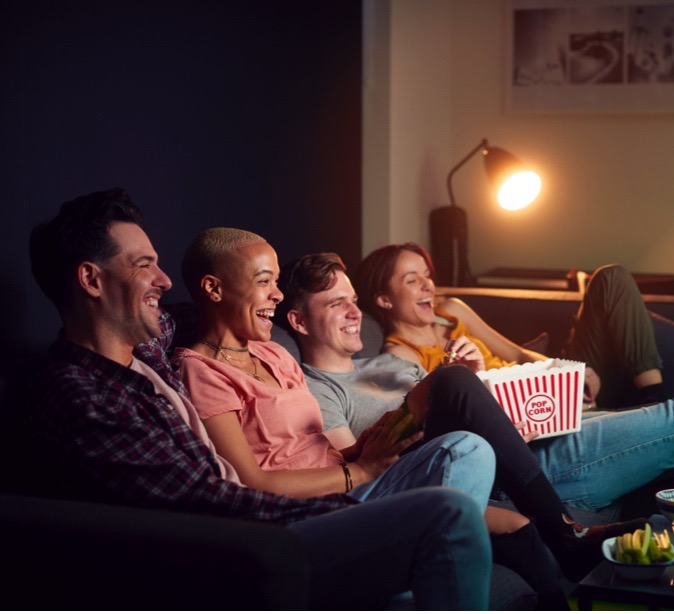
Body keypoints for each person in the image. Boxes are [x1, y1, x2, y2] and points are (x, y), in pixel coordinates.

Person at [26, 188, 493, 610]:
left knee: (464, 455)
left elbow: (204, 312)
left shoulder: (145, 346)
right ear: (91, 280)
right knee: (444, 513)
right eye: (143, 265)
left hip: (283, 515)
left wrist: (250, 304)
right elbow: (210, 502)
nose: (164, 280)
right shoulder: (83, 396)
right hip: (243, 547)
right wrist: (357, 499)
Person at [175, 228, 645, 597]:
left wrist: (372, 446)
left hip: (354, 476)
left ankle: (556, 544)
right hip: (322, 508)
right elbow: (252, 481)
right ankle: (561, 535)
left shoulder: (275, 355)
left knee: (467, 433)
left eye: (277, 282)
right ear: (214, 288)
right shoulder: (201, 371)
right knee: (456, 400)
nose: (276, 295)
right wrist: (358, 470)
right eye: (264, 282)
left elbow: (322, 447)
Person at [283, 250, 674, 520]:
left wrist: (498, 375)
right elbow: (362, 470)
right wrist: (454, 392)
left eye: (348, 301)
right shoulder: (326, 388)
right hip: (525, 469)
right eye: (336, 302)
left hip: (544, 429)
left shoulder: (387, 363)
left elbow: (504, 369)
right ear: (297, 320)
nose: (350, 313)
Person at [357, 242, 664, 409]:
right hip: (529, 411)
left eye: (427, 274)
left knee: (611, 278)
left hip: (558, 387)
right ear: (384, 299)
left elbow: (517, 356)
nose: (428, 286)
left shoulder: (452, 311)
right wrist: (555, 399)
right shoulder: (400, 356)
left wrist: (567, 372)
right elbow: (455, 413)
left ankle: (653, 397)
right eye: (412, 280)